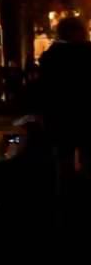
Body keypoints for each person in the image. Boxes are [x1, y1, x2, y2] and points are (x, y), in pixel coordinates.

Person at [38, 16, 91, 192]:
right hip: (84, 116)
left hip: (59, 119)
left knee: (63, 164)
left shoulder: (50, 57)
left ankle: (64, 204)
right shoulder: (86, 53)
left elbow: (44, 91)